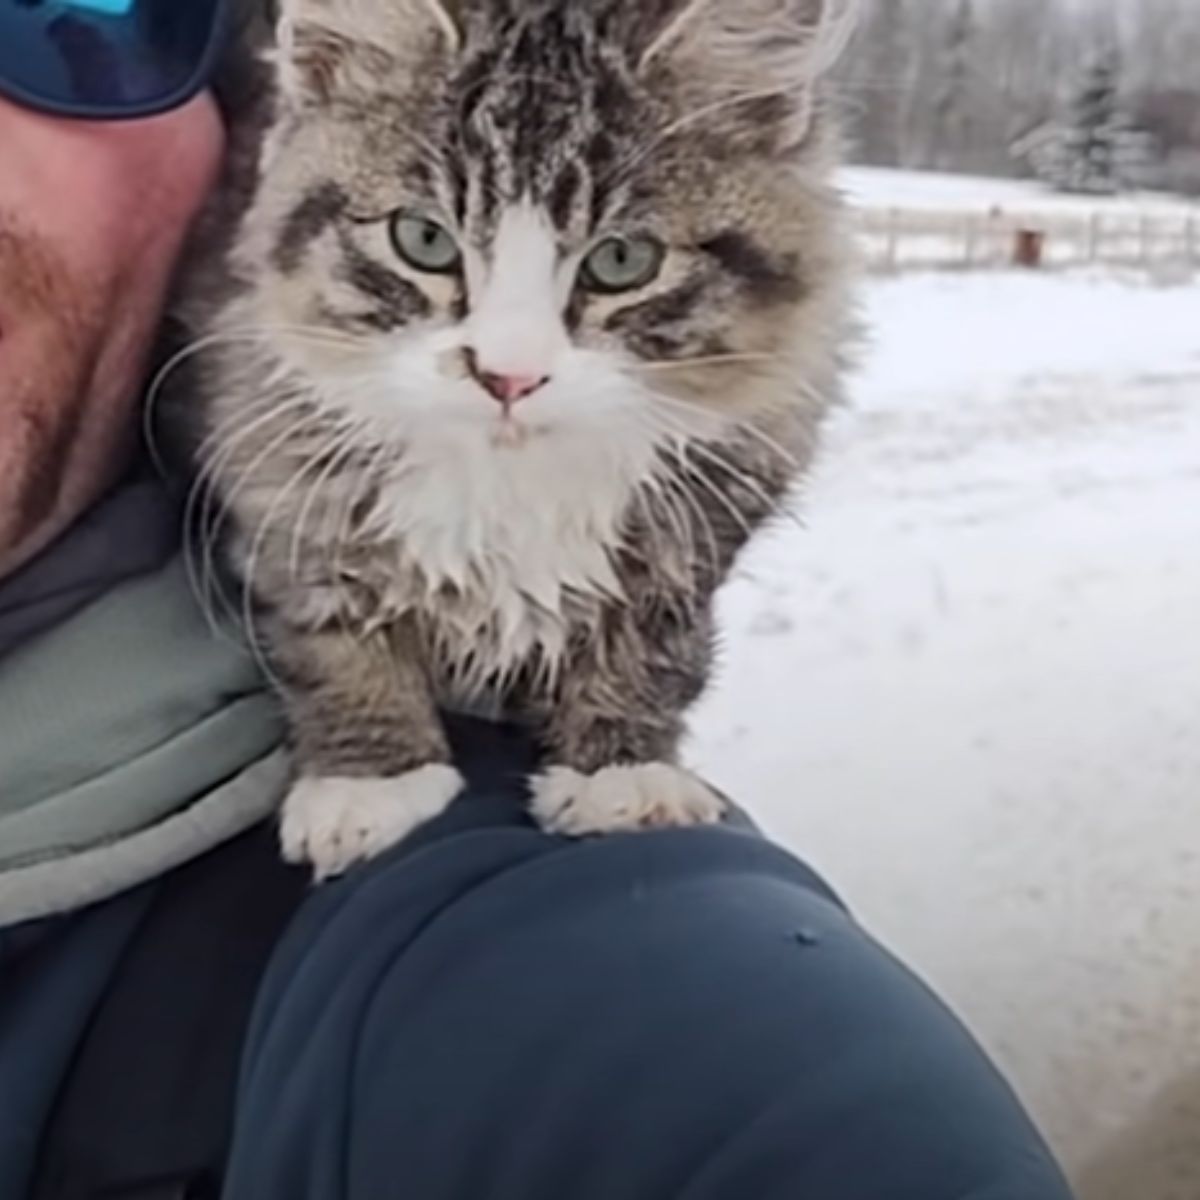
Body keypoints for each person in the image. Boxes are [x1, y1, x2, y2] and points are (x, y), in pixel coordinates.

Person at [0, 2, 1076, 1197]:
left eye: (59, 12)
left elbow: (719, 1081)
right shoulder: (266, 421)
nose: (507, 358)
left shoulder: (495, 971)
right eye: (424, 242)